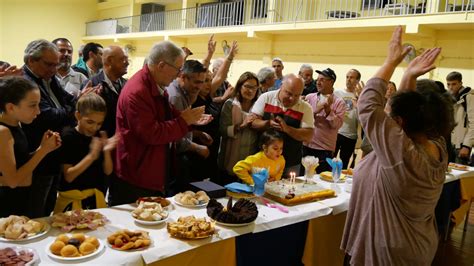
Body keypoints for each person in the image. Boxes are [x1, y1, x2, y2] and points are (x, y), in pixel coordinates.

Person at [341, 26, 455, 265]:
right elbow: (408, 113)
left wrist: (390, 62)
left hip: (387, 253)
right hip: (415, 246)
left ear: (399, 122)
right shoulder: (438, 146)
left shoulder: (401, 155)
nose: (387, 112)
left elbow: (369, 106)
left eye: (390, 110)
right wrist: (409, 77)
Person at [110, 41, 208, 206]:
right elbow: (151, 133)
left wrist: (190, 120)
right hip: (136, 174)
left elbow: (167, 114)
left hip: (151, 169)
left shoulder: (155, 84)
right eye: (178, 69)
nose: (178, 74)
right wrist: (184, 121)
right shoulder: (138, 91)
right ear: (161, 65)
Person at [22, 39, 77, 217]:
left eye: (56, 65)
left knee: (49, 208)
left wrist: (70, 108)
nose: (54, 69)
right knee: (35, 212)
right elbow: (46, 116)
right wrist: (69, 112)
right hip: (37, 154)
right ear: (31, 60)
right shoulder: (25, 81)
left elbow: (68, 99)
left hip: (54, 151)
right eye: (49, 64)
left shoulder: (49, 77)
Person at [0, 77, 61, 217]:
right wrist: (43, 150)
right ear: (10, 107)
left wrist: (45, 148)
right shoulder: (3, 132)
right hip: (9, 205)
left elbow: (20, 162)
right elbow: (13, 181)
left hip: (23, 198)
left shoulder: (16, 124)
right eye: (32, 105)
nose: (38, 111)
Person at [54, 93, 117, 213]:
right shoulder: (68, 136)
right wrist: (91, 156)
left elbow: (108, 171)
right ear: (78, 115)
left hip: (95, 199)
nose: (94, 127)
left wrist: (107, 151)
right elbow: (69, 176)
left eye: (99, 123)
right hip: (72, 201)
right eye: (90, 122)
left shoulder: (98, 135)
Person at [251, 73, 314, 176]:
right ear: (281, 86)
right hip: (262, 159)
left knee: (289, 191)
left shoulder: (306, 108)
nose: (292, 99)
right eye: (288, 93)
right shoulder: (266, 97)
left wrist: (287, 129)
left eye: (297, 95)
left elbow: (308, 135)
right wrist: (267, 123)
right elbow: (252, 122)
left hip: (291, 162)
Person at [218, 72, 260, 184]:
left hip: (251, 156)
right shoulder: (230, 104)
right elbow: (223, 130)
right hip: (230, 156)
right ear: (240, 86)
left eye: (254, 88)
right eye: (247, 86)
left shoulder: (259, 106)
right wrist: (242, 125)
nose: (251, 91)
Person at [304, 68, 346, 173]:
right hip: (305, 146)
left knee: (321, 183)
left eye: (322, 79)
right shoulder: (309, 98)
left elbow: (337, 125)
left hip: (324, 150)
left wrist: (328, 111)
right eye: (317, 79)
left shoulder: (339, 102)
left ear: (331, 82)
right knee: (302, 180)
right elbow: (303, 120)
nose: (318, 82)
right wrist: (316, 110)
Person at [85, 45, 129, 137]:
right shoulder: (92, 85)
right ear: (109, 60)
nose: (127, 63)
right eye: (123, 59)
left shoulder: (128, 85)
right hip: (100, 144)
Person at [334, 69, 361, 169]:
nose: (349, 80)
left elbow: (362, 118)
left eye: (352, 77)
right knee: (329, 161)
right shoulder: (337, 93)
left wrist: (359, 103)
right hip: (336, 132)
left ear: (358, 80)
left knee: (344, 164)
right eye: (347, 77)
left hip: (351, 135)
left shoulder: (360, 96)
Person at [447, 71, 474, 165]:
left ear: (461, 83)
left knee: (461, 176)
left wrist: (467, 145)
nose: (450, 87)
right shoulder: (448, 98)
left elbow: (473, 123)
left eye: (454, 84)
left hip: (462, 145)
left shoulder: (469, 97)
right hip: (450, 144)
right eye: (448, 84)